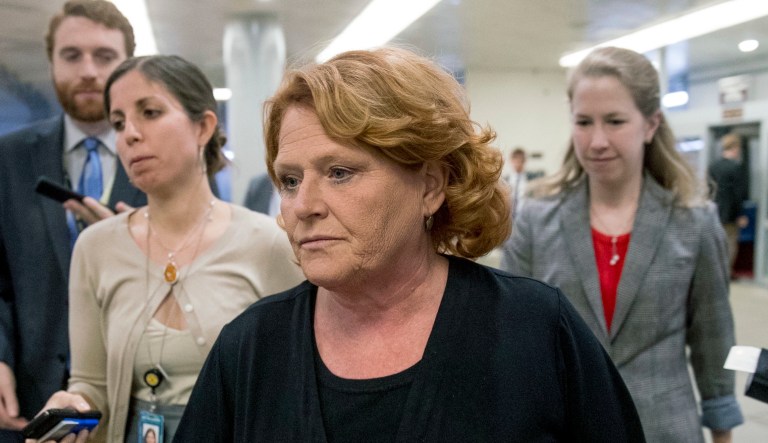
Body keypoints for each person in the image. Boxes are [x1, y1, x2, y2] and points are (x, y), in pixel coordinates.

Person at [173, 47, 645, 442]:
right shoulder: (251, 349)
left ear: (430, 187)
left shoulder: (534, 328)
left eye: (340, 173)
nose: (303, 205)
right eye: (291, 180)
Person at [31, 55, 304, 442]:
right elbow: (92, 385)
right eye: (119, 122)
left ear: (203, 126)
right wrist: (73, 405)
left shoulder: (269, 243)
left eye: (150, 112)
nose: (129, 134)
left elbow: (296, 385)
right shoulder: (96, 247)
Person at [501, 47, 742, 442]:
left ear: (650, 124)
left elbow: (713, 339)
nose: (597, 140)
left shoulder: (694, 223)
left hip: (665, 429)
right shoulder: (534, 220)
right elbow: (515, 339)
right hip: (566, 428)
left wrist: (722, 429)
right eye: (583, 122)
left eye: (614, 121)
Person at [0, 1, 145, 439]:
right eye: (71, 55)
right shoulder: (9, 159)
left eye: (104, 57)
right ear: (51, 62)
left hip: (133, 404)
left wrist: (130, 243)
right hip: (27, 405)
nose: (87, 70)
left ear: (128, 67)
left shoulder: (163, 157)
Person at [708, 132, 749, 272]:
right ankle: (724, 274)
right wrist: (741, 214)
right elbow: (738, 194)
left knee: (716, 245)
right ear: (735, 147)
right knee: (729, 245)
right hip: (730, 215)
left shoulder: (713, 166)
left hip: (713, 213)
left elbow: (708, 190)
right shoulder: (736, 168)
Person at [501, 147, 540, 219]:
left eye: (521, 161)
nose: (518, 163)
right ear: (511, 161)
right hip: (508, 217)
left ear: (524, 161)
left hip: (525, 217)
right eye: (516, 160)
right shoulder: (504, 181)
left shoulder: (531, 180)